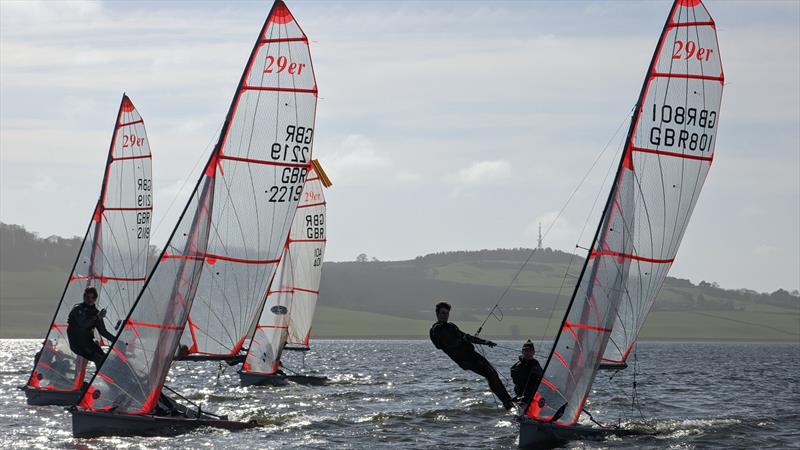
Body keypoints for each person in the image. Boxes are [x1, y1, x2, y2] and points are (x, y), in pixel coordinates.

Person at [429, 301, 513, 410]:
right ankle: (507, 403)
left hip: (472, 354)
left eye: (447, 313)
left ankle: (508, 400)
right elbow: (450, 343)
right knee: (489, 374)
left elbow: (465, 336)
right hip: (464, 360)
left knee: (493, 373)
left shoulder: (451, 326)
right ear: (437, 314)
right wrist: (462, 339)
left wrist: (485, 342)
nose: (445, 316)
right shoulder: (436, 330)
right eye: (443, 313)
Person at [67, 286, 115, 367]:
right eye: (87, 296)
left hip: (88, 342)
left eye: (92, 297)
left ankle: (113, 377)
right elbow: (83, 324)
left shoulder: (96, 312)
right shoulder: (78, 309)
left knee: (105, 359)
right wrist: (97, 317)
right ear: (84, 297)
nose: (89, 299)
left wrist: (116, 340)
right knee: (98, 358)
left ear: (95, 299)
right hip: (77, 343)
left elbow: (103, 332)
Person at [510, 339, 544, 406]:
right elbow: (516, 381)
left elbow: (542, 378)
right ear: (522, 352)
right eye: (525, 351)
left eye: (530, 351)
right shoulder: (517, 366)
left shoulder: (536, 364)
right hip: (522, 396)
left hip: (534, 395)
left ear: (534, 352)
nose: (528, 353)